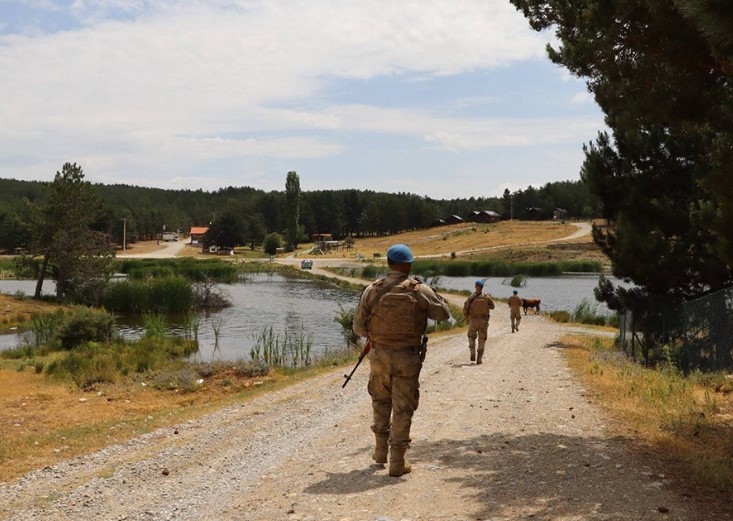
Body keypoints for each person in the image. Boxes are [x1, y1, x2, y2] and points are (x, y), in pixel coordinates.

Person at [353, 243, 450, 477]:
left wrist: (380, 336)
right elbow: (444, 315)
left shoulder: (372, 290)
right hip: (407, 355)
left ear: (388, 263)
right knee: (403, 407)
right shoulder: (419, 290)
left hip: (378, 355)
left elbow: (358, 327)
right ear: (408, 265)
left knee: (380, 400)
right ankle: (397, 463)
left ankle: (379, 453)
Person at [462, 279, 495, 364]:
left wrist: (466, 316)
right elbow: (492, 307)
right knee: (482, 338)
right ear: (482, 287)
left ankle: (472, 352)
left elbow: (465, 309)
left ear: (476, 287)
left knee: (471, 336)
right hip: (483, 321)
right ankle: (479, 358)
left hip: (473, 320)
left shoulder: (471, 297)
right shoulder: (486, 297)